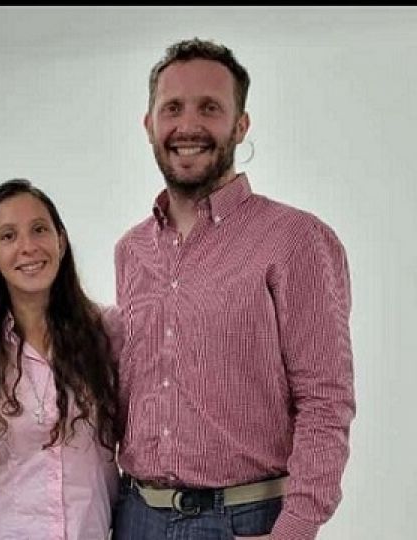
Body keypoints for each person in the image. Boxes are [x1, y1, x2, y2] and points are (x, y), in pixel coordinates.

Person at [109, 38, 356, 540]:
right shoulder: (131, 250)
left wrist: (295, 529)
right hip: (135, 516)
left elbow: (325, 400)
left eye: (210, 108)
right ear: (149, 125)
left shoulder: (295, 239)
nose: (188, 125)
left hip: (243, 521)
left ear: (240, 125)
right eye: (173, 108)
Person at [0, 178, 120, 540]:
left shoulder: (107, 332)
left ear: (61, 241)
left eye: (39, 229)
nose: (28, 247)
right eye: (8, 236)